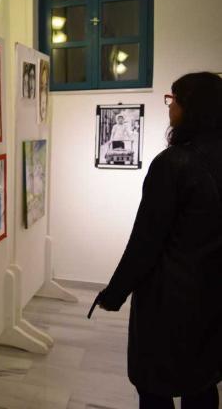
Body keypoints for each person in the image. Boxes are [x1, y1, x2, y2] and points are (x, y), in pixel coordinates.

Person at [97, 72, 222, 409]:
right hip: (213, 294)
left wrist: (114, 293)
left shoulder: (173, 164)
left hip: (169, 300)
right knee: (202, 384)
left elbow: (146, 242)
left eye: (174, 100)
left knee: (154, 387)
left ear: (192, 108)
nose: (170, 107)